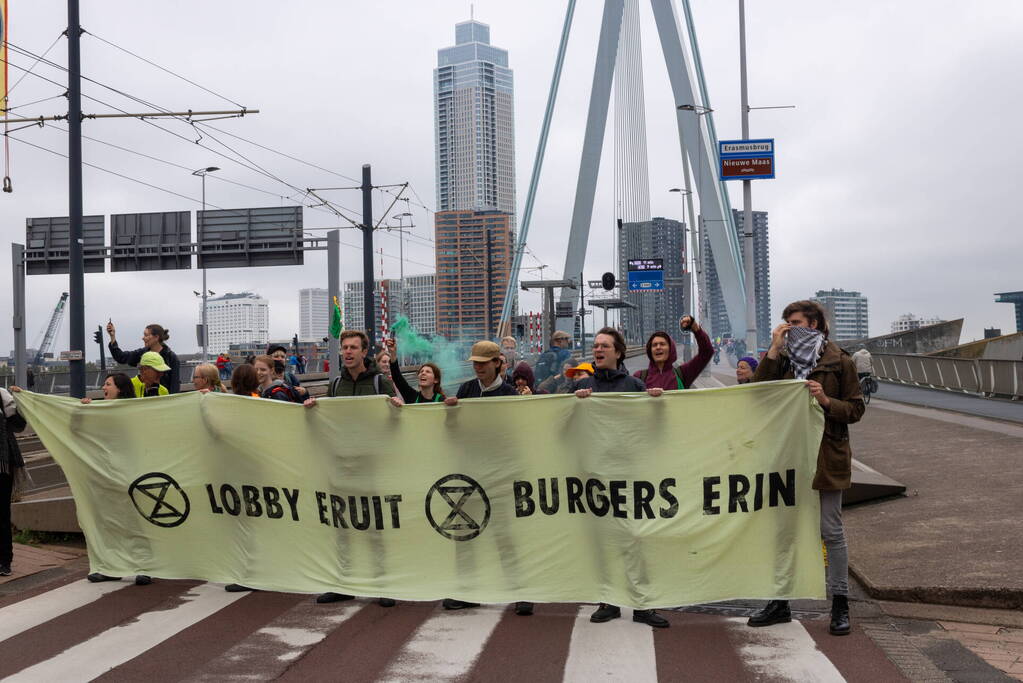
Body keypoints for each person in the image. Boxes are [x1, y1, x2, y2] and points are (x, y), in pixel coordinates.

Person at [746, 300, 864, 637]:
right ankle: (781, 602)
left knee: (831, 530)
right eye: (785, 322)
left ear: (813, 324)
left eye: (794, 322)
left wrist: (826, 401)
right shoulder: (782, 359)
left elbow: (855, 409)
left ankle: (840, 604)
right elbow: (759, 393)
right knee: (784, 532)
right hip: (787, 457)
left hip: (827, 454)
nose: (788, 327)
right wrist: (773, 347)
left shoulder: (840, 361)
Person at [569, 327, 670, 629]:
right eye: (595, 345)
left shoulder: (634, 385)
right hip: (596, 475)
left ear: (618, 352)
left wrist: (655, 404)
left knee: (635, 538)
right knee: (603, 541)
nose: (597, 350)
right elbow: (562, 427)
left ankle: (642, 604)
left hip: (629, 474)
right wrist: (574, 404)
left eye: (604, 346)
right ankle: (608, 601)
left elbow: (653, 430)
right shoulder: (583, 386)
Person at [304, 331, 396, 608]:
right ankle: (345, 583)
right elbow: (327, 419)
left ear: (364, 351)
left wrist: (396, 408)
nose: (347, 352)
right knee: (342, 525)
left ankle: (383, 584)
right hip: (342, 464)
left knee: (374, 525)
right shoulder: (335, 385)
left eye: (353, 347)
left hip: (371, 464)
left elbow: (396, 419)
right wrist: (312, 408)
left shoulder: (380, 382)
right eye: (344, 347)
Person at [442, 340, 524, 615]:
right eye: (474, 363)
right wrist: (450, 413)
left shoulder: (510, 394)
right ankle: (468, 590)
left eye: (482, 363)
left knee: (505, 534)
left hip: (500, 473)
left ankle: (520, 591)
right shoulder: (466, 390)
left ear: (497, 364)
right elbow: (453, 430)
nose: (477, 368)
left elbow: (516, 435)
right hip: (470, 473)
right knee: (465, 533)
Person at [635, 316, 712, 391]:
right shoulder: (639, 377)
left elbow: (707, 352)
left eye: (662, 344)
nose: (658, 347)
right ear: (650, 351)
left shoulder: (683, 373)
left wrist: (695, 328)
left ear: (671, 349)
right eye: (654, 345)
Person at [106, 321, 181, 394]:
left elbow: (175, 384)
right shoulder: (142, 353)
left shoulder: (171, 357)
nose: (143, 338)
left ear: (156, 337)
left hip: (163, 400)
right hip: (145, 398)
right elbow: (121, 357)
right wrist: (112, 337)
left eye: (146, 335)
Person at [0, 387, 27, 577]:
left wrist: (14, 406)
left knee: (1, 514)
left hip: (2, 464)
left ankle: (4, 560)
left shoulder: (1, 395)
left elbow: (19, 425)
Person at [384, 338, 445, 404]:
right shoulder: (412, 396)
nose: (423, 373)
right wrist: (393, 353)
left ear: (436, 380)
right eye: (421, 371)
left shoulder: (442, 400)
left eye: (428, 372)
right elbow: (397, 378)